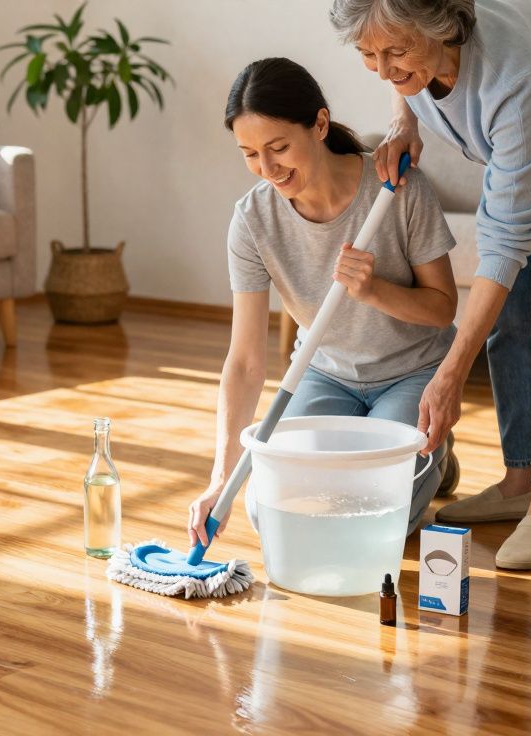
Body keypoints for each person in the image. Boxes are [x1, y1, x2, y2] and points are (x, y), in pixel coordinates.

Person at [329, 0, 531, 568]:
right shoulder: (415, 54)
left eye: (396, 52)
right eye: (367, 55)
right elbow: (400, 75)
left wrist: (451, 374)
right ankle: (520, 481)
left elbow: (506, 238)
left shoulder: (513, 73)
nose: (383, 69)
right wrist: (404, 123)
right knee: (509, 313)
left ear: (441, 29)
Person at [187, 57, 461, 551]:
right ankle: (404, 446)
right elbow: (246, 362)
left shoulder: (397, 189)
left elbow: (443, 309)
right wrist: (220, 480)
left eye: (279, 148)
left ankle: (430, 453)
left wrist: (375, 289)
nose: (268, 170)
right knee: (262, 505)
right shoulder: (253, 221)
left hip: (412, 372)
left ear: (319, 124)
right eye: (249, 154)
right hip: (326, 373)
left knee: (373, 506)